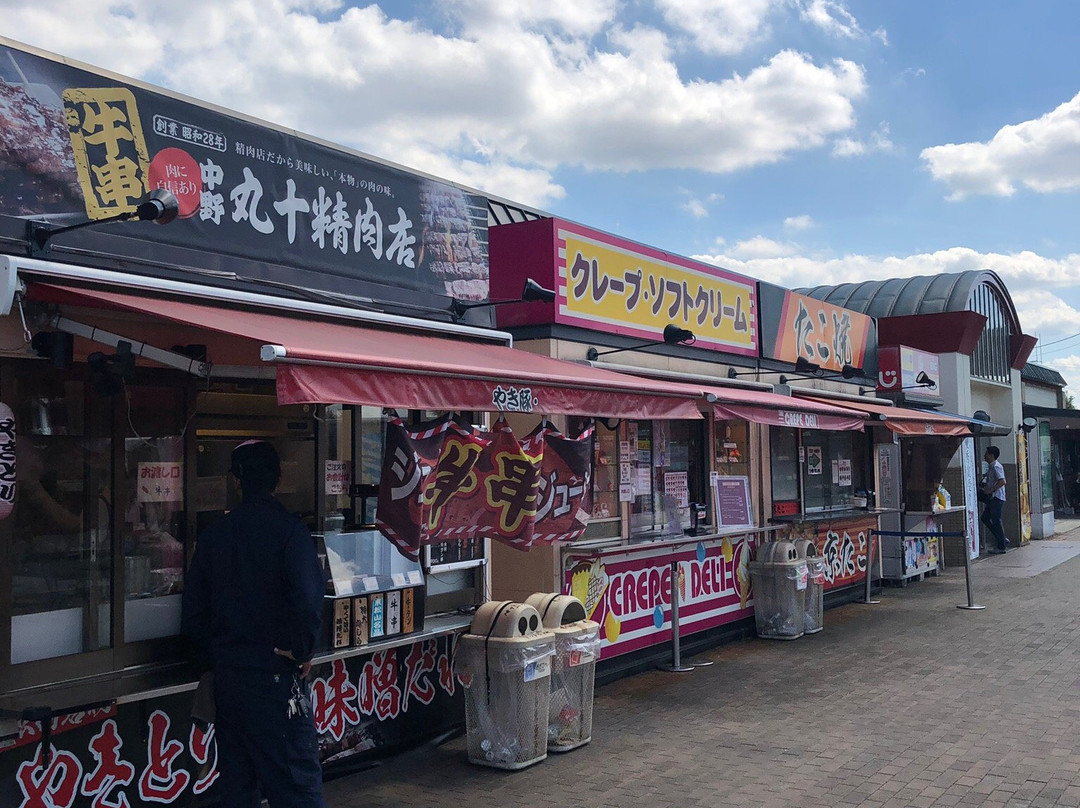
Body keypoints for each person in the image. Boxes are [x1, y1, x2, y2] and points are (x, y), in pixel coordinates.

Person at [181, 441, 326, 808]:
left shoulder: (214, 536)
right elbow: (309, 600)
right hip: (276, 678)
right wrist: (302, 649)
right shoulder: (291, 533)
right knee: (295, 788)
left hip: (229, 682)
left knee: (237, 787)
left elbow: (193, 614)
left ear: (236, 481)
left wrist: (212, 660)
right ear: (277, 479)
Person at [981, 445, 1010, 555]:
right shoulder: (991, 467)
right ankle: (1001, 538)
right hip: (993, 498)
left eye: (986, 454)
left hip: (997, 497)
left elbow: (1002, 481)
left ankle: (1001, 545)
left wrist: (991, 490)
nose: (985, 456)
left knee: (996, 521)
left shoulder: (996, 466)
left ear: (992, 455)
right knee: (985, 518)